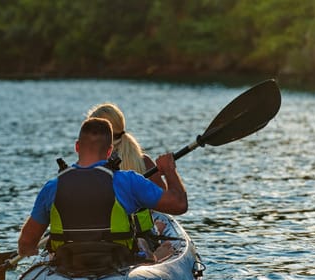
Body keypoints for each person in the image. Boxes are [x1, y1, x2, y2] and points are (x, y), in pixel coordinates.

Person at [17, 118, 187, 261]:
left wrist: (31, 251)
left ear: (77, 147)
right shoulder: (128, 181)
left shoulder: (52, 187)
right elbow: (179, 205)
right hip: (117, 263)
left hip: (68, 265)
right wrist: (169, 170)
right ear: (109, 151)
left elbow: (26, 243)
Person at [87, 103, 169, 260]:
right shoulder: (144, 162)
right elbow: (164, 203)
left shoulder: (87, 166)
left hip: (98, 237)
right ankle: (151, 249)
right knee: (160, 233)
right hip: (137, 232)